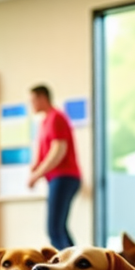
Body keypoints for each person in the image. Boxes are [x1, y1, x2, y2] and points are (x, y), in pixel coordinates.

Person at [27, 84, 82, 250]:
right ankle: (75, 263)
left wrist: (37, 174)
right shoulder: (45, 121)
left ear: (42, 98)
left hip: (64, 177)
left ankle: (68, 267)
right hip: (57, 178)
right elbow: (45, 151)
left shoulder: (56, 117)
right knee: (59, 228)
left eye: (33, 100)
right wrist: (36, 166)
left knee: (54, 229)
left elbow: (59, 150)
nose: (31, 105)